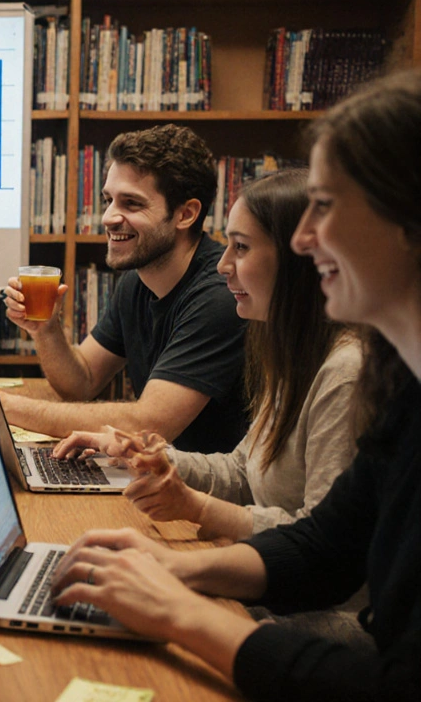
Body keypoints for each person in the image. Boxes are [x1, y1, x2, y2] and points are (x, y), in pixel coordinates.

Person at [50, 68, 421, 701]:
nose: (306, 238)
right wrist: (173, 564)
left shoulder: (354, 369)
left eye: (326, 207)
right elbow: (326, 542)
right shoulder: (397, 378)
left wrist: (182, 609)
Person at [54, 170, 363, 542]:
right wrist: (149, 456)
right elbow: (241, 471)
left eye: (242, 247)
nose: (223, 264)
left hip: (304, 600)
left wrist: (195, 508)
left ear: (300, 260)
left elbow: (326, 544)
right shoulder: (293, 357)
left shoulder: (345, 375)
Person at [0, 125, 249, 454]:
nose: (109, 217)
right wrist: (46, 330)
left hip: (205, 496)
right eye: (108, 200)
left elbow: (150, 425)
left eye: (132, 204)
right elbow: (81, 382)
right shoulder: (137, 282)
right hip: (159, 480)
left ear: (186, 214)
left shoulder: (220, 297)